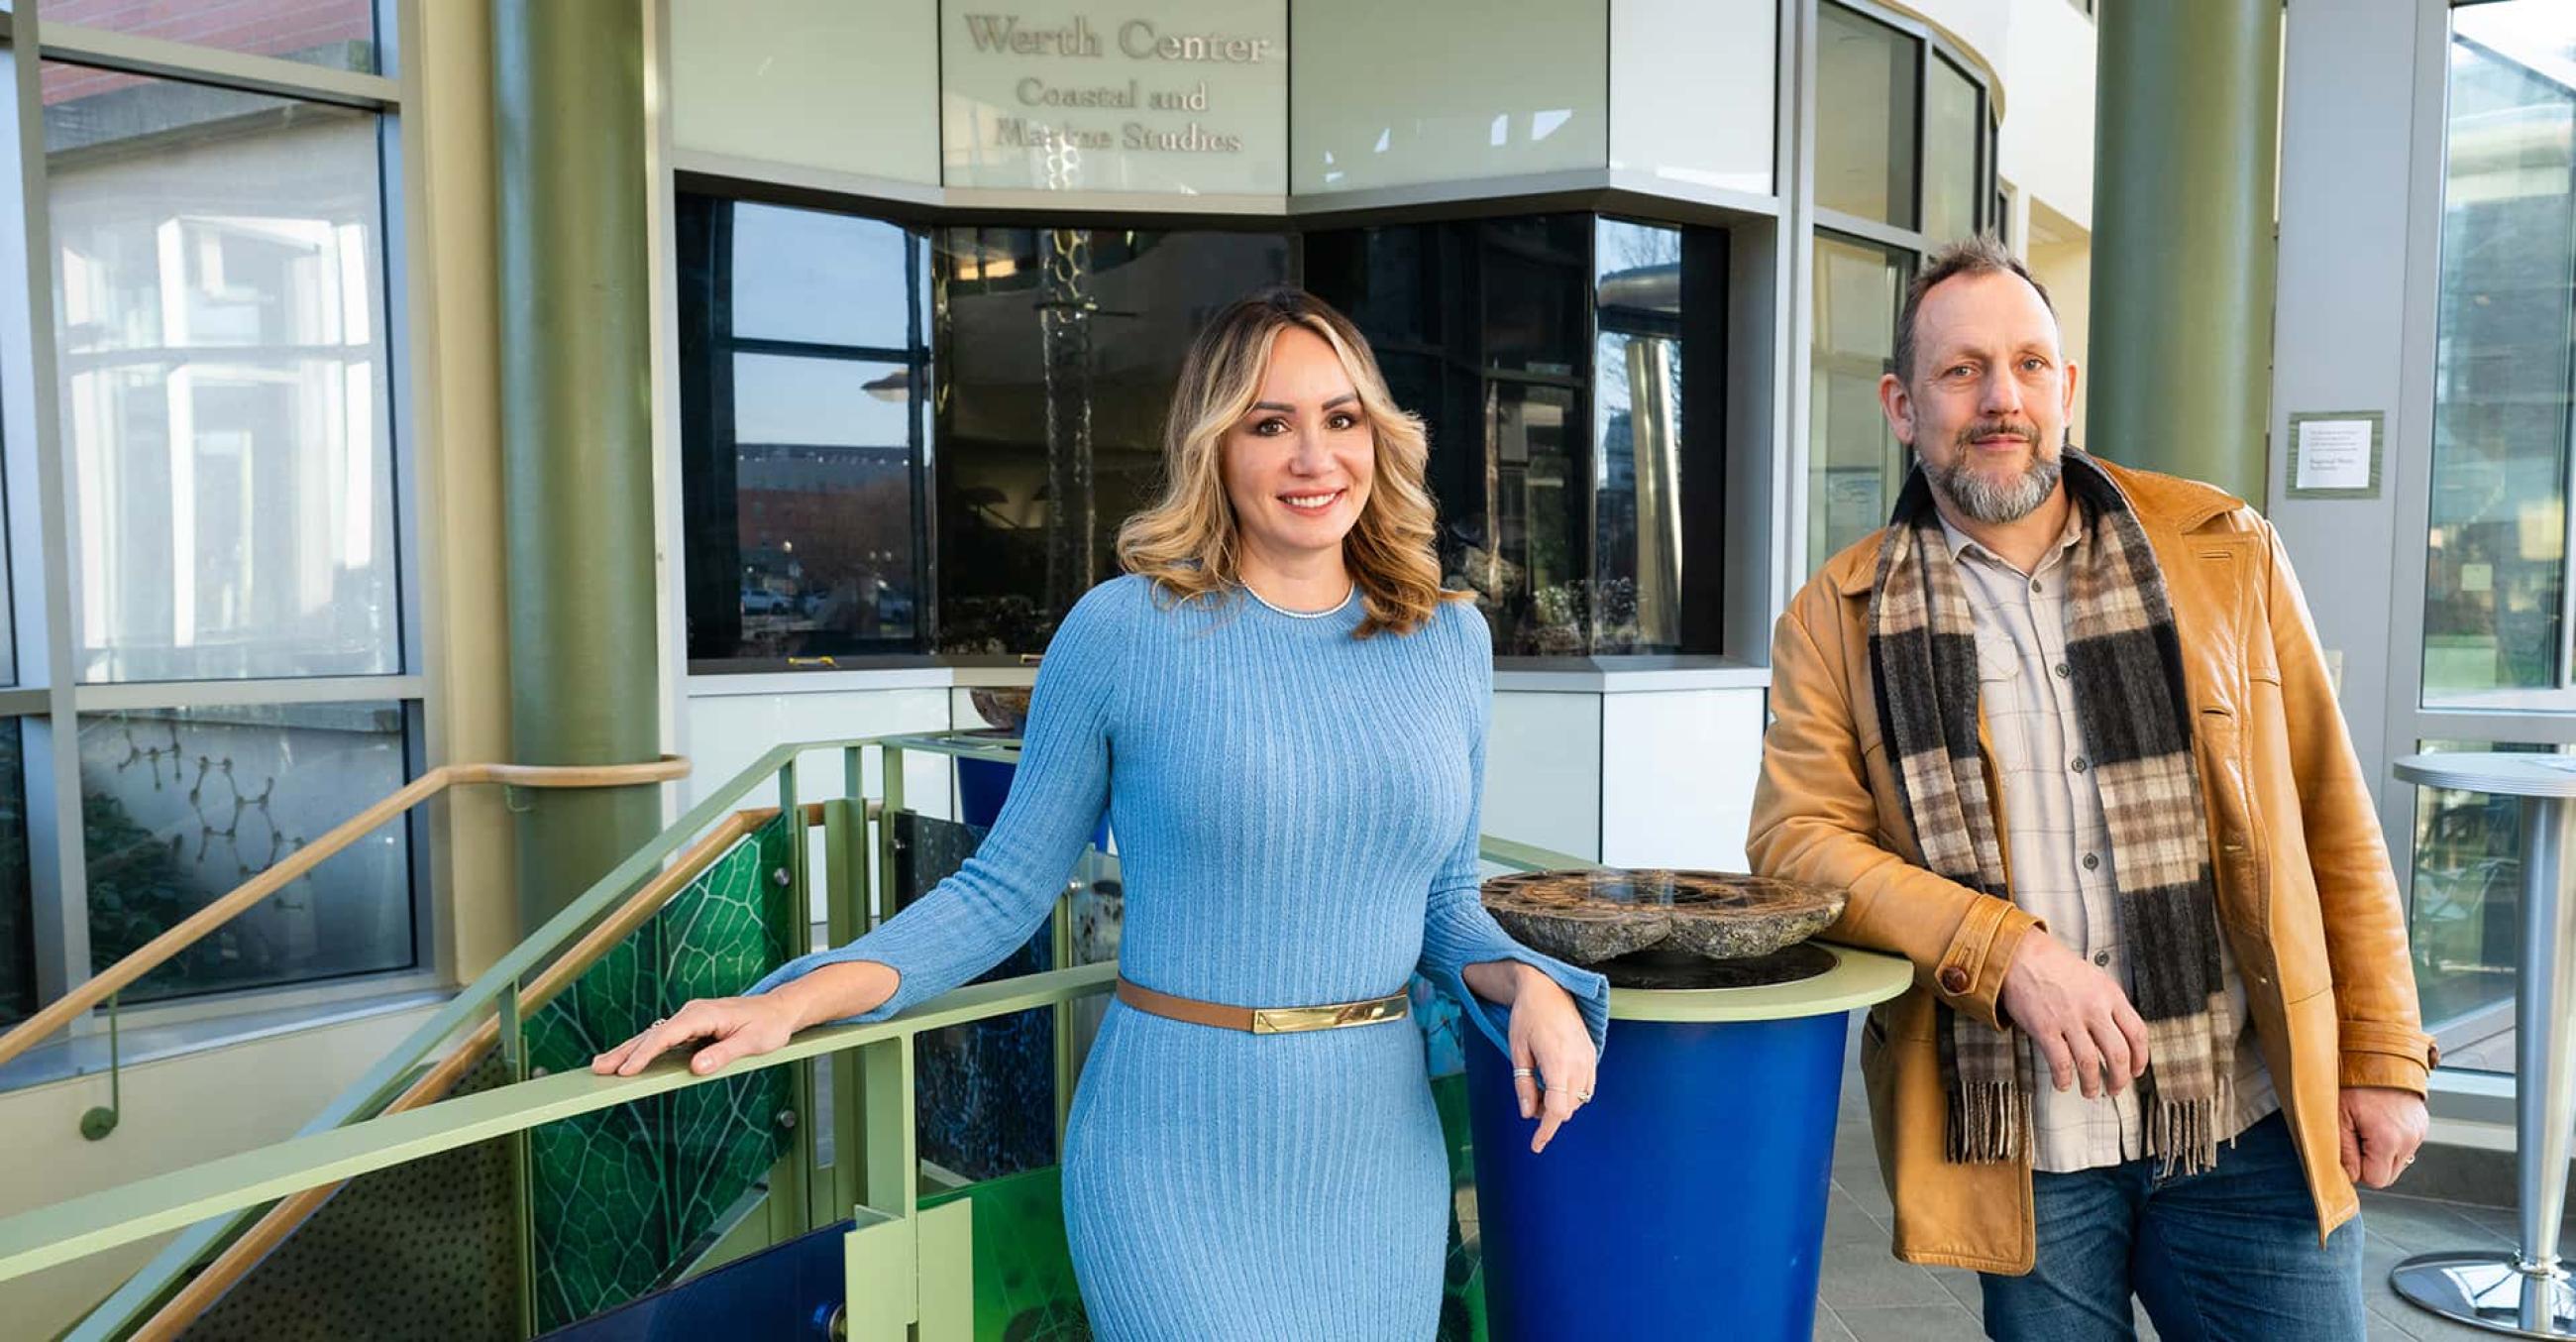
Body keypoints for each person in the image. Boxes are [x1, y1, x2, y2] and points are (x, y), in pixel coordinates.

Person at [592, 286, 1608, 1339]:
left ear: (1377, 438)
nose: (1313, 457)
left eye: (1339, 418)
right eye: (1269, 424)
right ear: (1213, 447)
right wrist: (792, 1000)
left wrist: (1527, 979)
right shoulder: (1123, 632)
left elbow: (1441, 903)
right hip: (1168, 1152)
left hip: (1372, 1153)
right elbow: (998, 893)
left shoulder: (1446, 641)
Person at [1747, 235, 2432, 1339]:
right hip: (2025, 1149)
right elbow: (1797, 843)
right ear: (1900, 402)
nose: (1998, 397)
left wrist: (2383, 1055)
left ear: (2065, 387)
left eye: (2026, 364)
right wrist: (2004, 950)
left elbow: (2328, 813)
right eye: (1959, 370)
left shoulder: (2221, 551)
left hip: (2242, 1120)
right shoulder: (1836, 614)